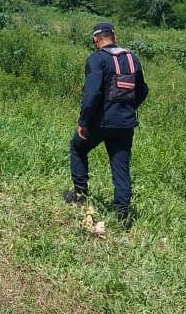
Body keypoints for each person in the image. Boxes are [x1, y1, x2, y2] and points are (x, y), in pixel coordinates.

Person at [64, 22, 149, 225]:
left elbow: (92, 93)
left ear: (95, 39)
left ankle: (80, 195)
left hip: (100, 122)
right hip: (125, 124)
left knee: (77, 147)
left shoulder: (97, 59)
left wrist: (84, 121)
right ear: (114, 36)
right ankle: (122, 214)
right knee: (120, 166)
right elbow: (143, 90)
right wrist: (128, 108)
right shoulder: (132, 58)